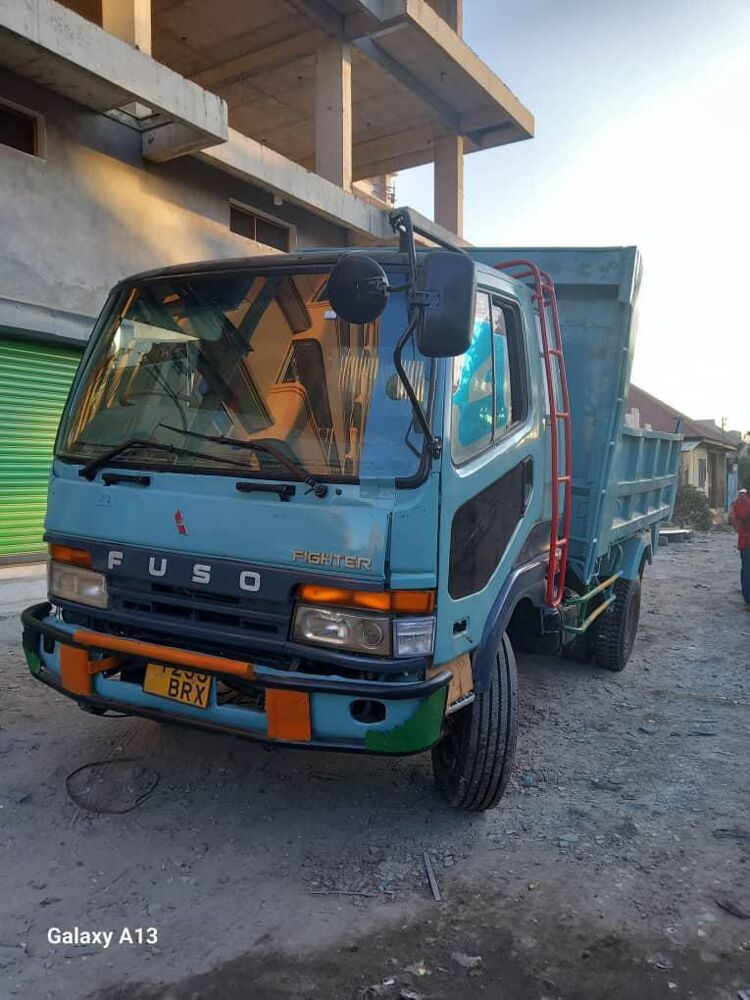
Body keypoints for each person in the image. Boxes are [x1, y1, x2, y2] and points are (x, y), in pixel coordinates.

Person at [728, 488, 750, 610]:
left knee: (747, 570)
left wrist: (740, 530)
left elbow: (731, 517)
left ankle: (748, 601)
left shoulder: (741, 502)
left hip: (746, 542)